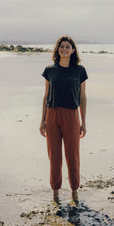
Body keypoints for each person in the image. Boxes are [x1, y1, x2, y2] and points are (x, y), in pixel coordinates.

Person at [39, 35, 88, 203]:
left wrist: (83, 122)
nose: (64, 49)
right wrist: (42, 120)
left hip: (72, 116)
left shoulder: (79, 70)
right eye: (62, 46)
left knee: (72, 156)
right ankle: (55, 193)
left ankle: (75, 192)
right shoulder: (50, 70)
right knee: (54, 157)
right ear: (57, 49)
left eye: (68, 47)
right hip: (52, 115)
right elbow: (45, 96)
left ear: (73, 50)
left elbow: (83, 98)